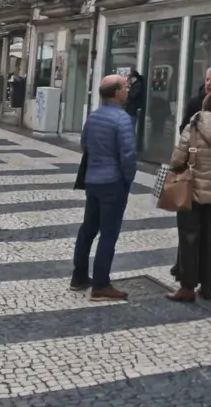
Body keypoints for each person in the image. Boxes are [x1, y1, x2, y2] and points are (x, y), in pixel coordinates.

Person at [71, 74, 137, 301]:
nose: (128, 90)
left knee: (88, 228)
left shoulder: (94, 116)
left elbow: (85, 144)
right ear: (117, 92)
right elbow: (127, 155)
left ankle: (78, 276)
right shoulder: (122, 119)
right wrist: (128, 179)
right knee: (109, 233)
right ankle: (101, 284)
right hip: (113, 182)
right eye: (125, 87)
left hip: (93, 180)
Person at [167, 91, 211, 302]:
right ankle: (208, 285)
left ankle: (187, 287)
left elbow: (178, 159)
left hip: (193, 191)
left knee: (189, 238)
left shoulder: (194, 125)